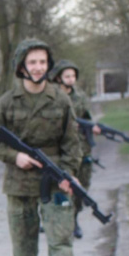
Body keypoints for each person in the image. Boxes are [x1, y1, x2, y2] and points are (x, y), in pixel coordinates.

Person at [0, 39, 81, 256]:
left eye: (42, 62)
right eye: (32, 62)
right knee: (23, 243)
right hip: (20, 183)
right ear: (22, 67)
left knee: (60, 238)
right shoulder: (7, 101)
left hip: (55, 180)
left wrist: (68, 173)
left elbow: (72, 143)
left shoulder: (61, 100)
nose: (38, 67)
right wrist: (15, 157)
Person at [50, 59, 101, 239]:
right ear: (58, 78)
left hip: (82, 148)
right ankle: (62, 221)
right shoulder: (52, 97)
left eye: (73, 76)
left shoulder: (80, 97)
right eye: (67, 76)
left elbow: (88, 119)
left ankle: (75, 217)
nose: (71, 79)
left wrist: (92, 128)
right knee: (62, 185)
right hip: (60, 148)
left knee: (82, 185)